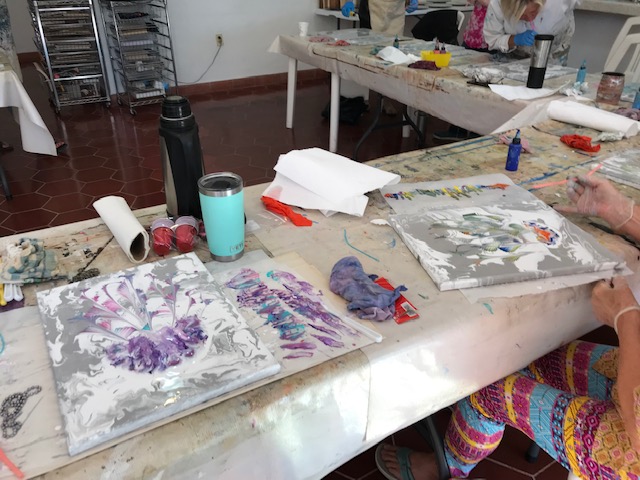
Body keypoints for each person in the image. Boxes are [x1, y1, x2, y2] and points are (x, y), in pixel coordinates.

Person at [375, 175, 640, 479]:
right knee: (527, 353)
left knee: (487, 382)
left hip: (630, 448)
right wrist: (622, 212)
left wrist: (625, 318)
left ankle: (449, 466)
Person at [483, 0, 581, 66]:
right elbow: (492, 39)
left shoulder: (559, 2)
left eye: (534, 12)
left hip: (555, 50)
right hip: (514, 57)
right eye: (522, 16)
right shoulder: (497, 3)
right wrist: (515, 39)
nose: (530, 19)